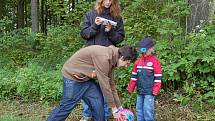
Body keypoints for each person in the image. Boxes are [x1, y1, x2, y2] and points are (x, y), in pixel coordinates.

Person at [46, 45, 137, 121]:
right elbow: (105, 86)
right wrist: (114, 109)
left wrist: (119, 107)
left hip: (86, 80)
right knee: (66, 107)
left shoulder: (112, 59)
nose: (126, 66)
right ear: (122, 57)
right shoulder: (104, 58)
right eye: (127, 63)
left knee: (98, 103)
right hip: (73, 78)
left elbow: (111, 85)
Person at [80, 0, 124, 120]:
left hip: (107, 59)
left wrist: (110, 30)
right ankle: (87, 114)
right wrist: (95, 25)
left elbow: (119, 39)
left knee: (106, 84)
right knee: (87, 83)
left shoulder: (117, 18)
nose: (108, 2)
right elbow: (84, 34)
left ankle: (104, 114)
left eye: (111, 0)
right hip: (90, 57)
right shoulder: (90, 15)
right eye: (105, 0)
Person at [127, 37, 162, 121]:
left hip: (150, 92)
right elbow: (134, 77)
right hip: (140, 90)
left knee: (148, 110)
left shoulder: (155, 61)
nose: (144, 53)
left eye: (146, 51)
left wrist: (156, 89)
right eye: (142, 51)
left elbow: (158, 77)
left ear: (151, 49)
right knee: (139, 110)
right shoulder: (137, 62)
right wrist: (130, 88)